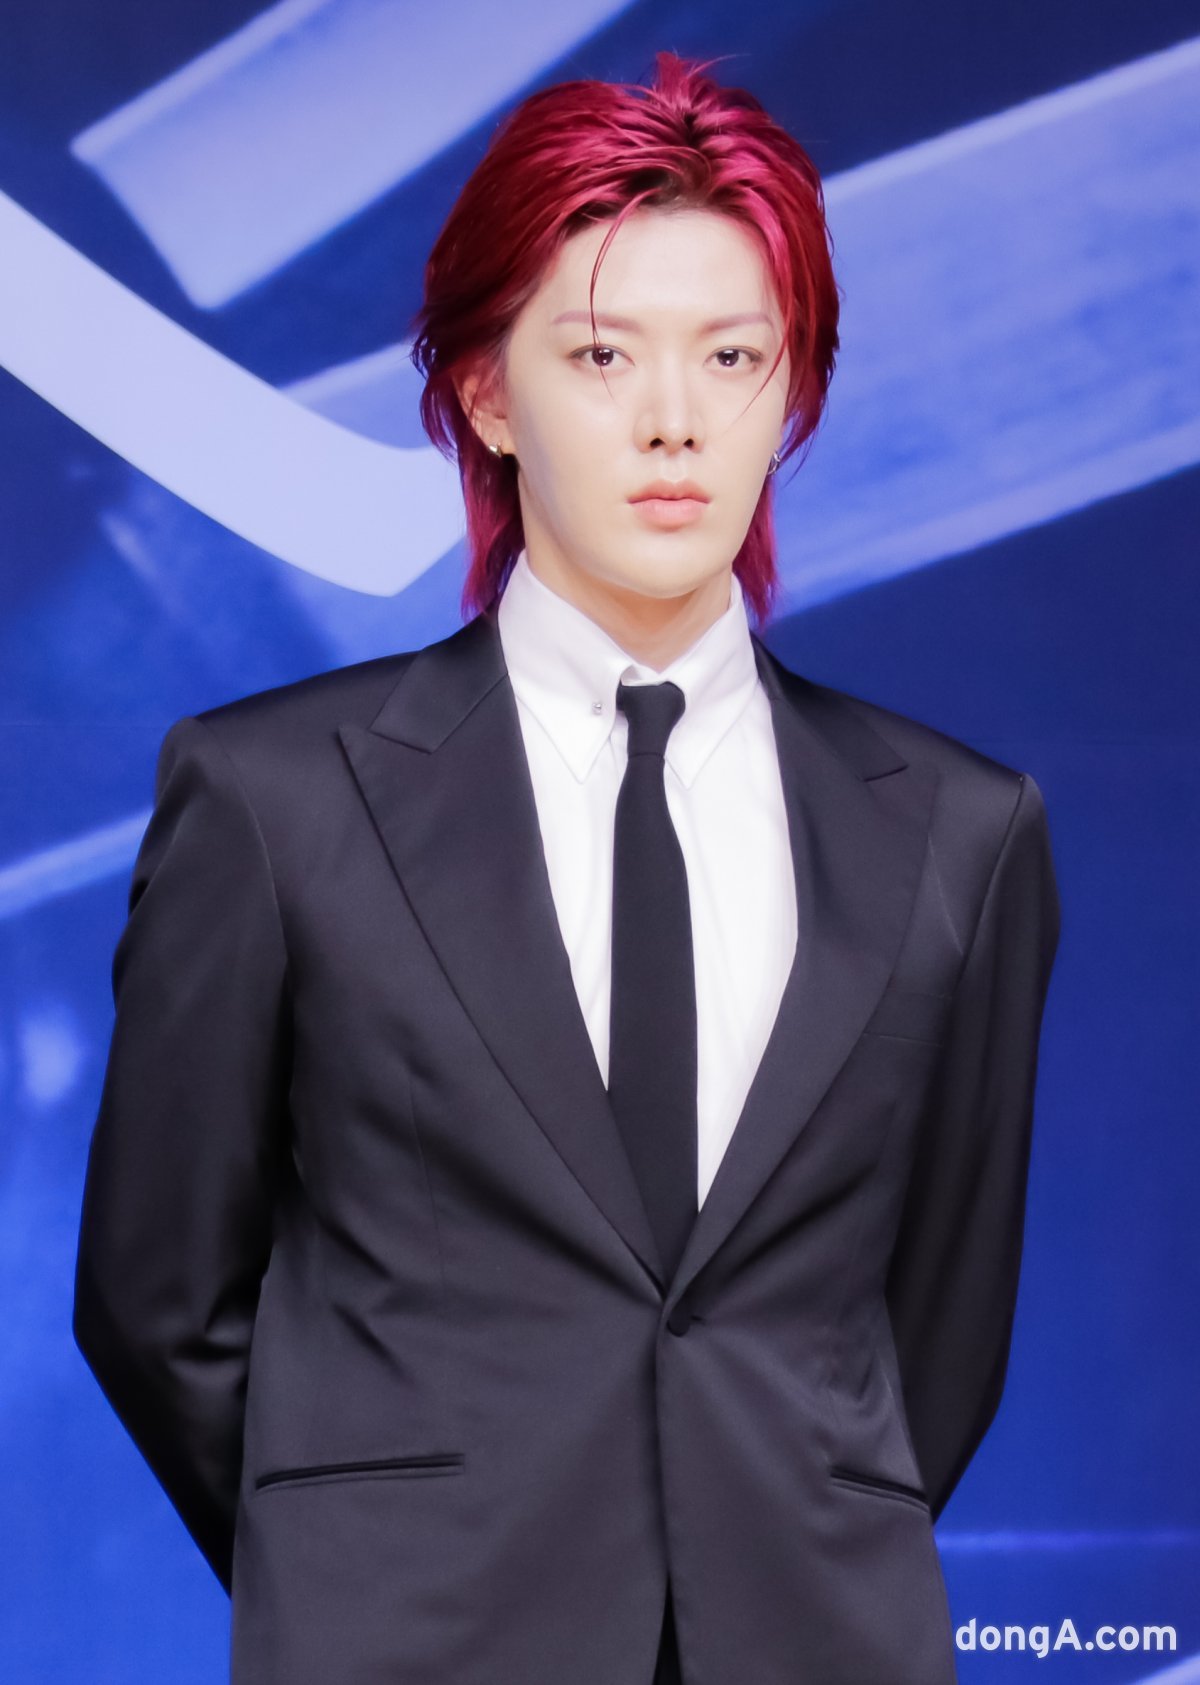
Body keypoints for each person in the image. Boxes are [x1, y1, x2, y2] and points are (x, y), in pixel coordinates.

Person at [72, 51, 1061, 1685]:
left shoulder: (962, 828)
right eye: (602, 355)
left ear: (793, 393)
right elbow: (153, 1293)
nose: (676, 418)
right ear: (484, 391)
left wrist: (770, 1546)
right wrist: (361, 1548)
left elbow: (936, 1335)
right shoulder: (272, 798)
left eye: (734, 355)